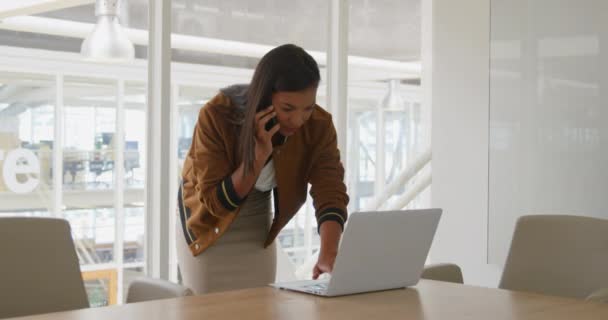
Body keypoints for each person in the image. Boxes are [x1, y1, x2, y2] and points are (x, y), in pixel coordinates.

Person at [176, 43, 349, 294]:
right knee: (208, 310)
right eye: (287, 108)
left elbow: (330, 187)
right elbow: (214, 202)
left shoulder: (318, 126)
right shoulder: (217, 116)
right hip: (206, 218)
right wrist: (257, 157)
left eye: (308, 108)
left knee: (259, 306)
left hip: (257, 217)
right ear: (265, 97)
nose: (298, 120)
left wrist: (328, 252)